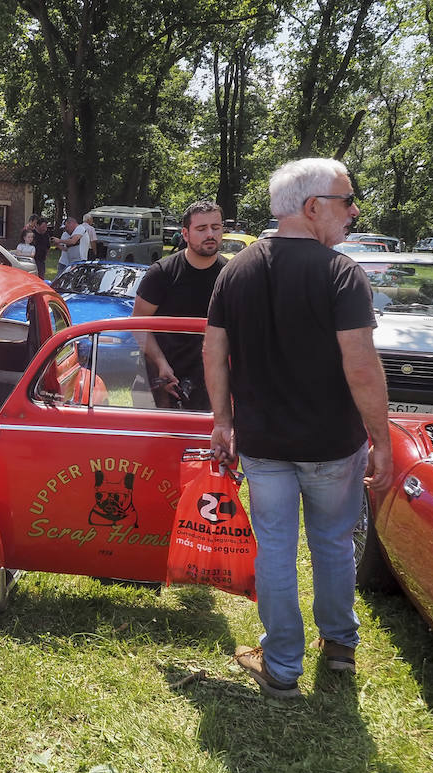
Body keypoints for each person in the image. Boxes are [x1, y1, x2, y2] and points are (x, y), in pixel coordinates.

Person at [203, 157, 392, 699]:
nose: (354, 212)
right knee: (333, 544)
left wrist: (222, 421)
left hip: (263, 444)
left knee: (277, 549)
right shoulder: (341, 273)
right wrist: (381, 439)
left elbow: (213, 350)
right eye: (347, 200)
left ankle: (283, 667)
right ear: (312, 208)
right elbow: (361, 363)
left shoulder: (234, 271)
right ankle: (339, 649)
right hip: (333, 445)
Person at [132, 200, 228, 410]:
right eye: (201, 229)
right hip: (158, 382)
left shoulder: (230, 274)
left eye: (216, 227)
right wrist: (160, 363)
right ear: (185, 234)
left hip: (209, 384)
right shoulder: (162, 273)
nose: (210, 234)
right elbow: (138, 325)